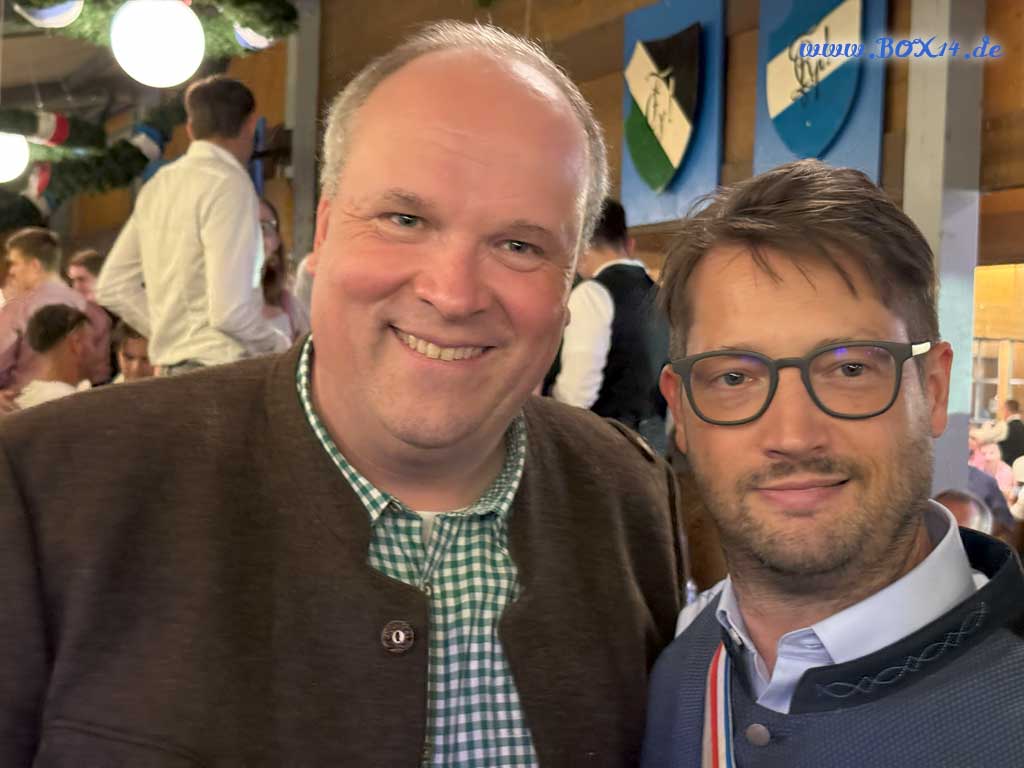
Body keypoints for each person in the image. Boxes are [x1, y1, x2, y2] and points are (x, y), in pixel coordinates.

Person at [0, 22, 688, 767]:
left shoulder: (630, 494)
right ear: (323, 232)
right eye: (405, 219)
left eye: (519, 245)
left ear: (566, 286)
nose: (453, 294)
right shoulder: (52, 488)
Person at [642, 160, 1024, 767]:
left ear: (933, 389)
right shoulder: (673, 670)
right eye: (735, 377)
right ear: (681, 412)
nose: (794, 436)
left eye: (849, 368)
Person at [96, 75, 290, 376]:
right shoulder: (230, 184)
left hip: (170, 371)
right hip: (218, 369)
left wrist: (172, 333)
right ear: (251, 125)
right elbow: (230, 313)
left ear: (190, 128)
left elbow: (113, 285)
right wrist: (280, 345)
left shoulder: (158, 184)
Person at [552, 198, 669, 451]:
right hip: (656, 439)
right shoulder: (661, 294)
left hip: (606, 441)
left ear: (581, 248)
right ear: (629, 244)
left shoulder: (591, 293)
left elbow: (577, 394)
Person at [0, 227, 108, 395]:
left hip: (24, 407)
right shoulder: (96, 314)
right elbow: (100, 376)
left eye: (14, 263)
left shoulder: (15, 312)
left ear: (35, 265)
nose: (11, 271)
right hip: (80, 404)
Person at [14, 305, 94, 410]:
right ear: (76, 343)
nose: (95, 351)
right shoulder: (73, 405)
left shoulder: (21, 399)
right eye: (94, 342)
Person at [259, 197, 310, 341]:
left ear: (277, 241)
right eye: (246, 226)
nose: (255, 237)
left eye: (264, 227)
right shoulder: (206, 305)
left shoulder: (290, 306)